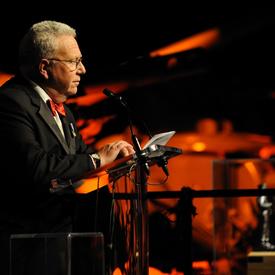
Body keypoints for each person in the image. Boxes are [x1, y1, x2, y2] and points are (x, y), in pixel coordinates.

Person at [0, 20, 134, 275]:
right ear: (44, 67)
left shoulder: (65, 113)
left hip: (61, 241)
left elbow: (78, 159)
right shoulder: (10, 102)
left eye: (80, 61)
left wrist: (117, 159)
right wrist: (96, 160)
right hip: (27, 247)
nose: (82, 69)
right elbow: (35, 166)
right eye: (73, 62)